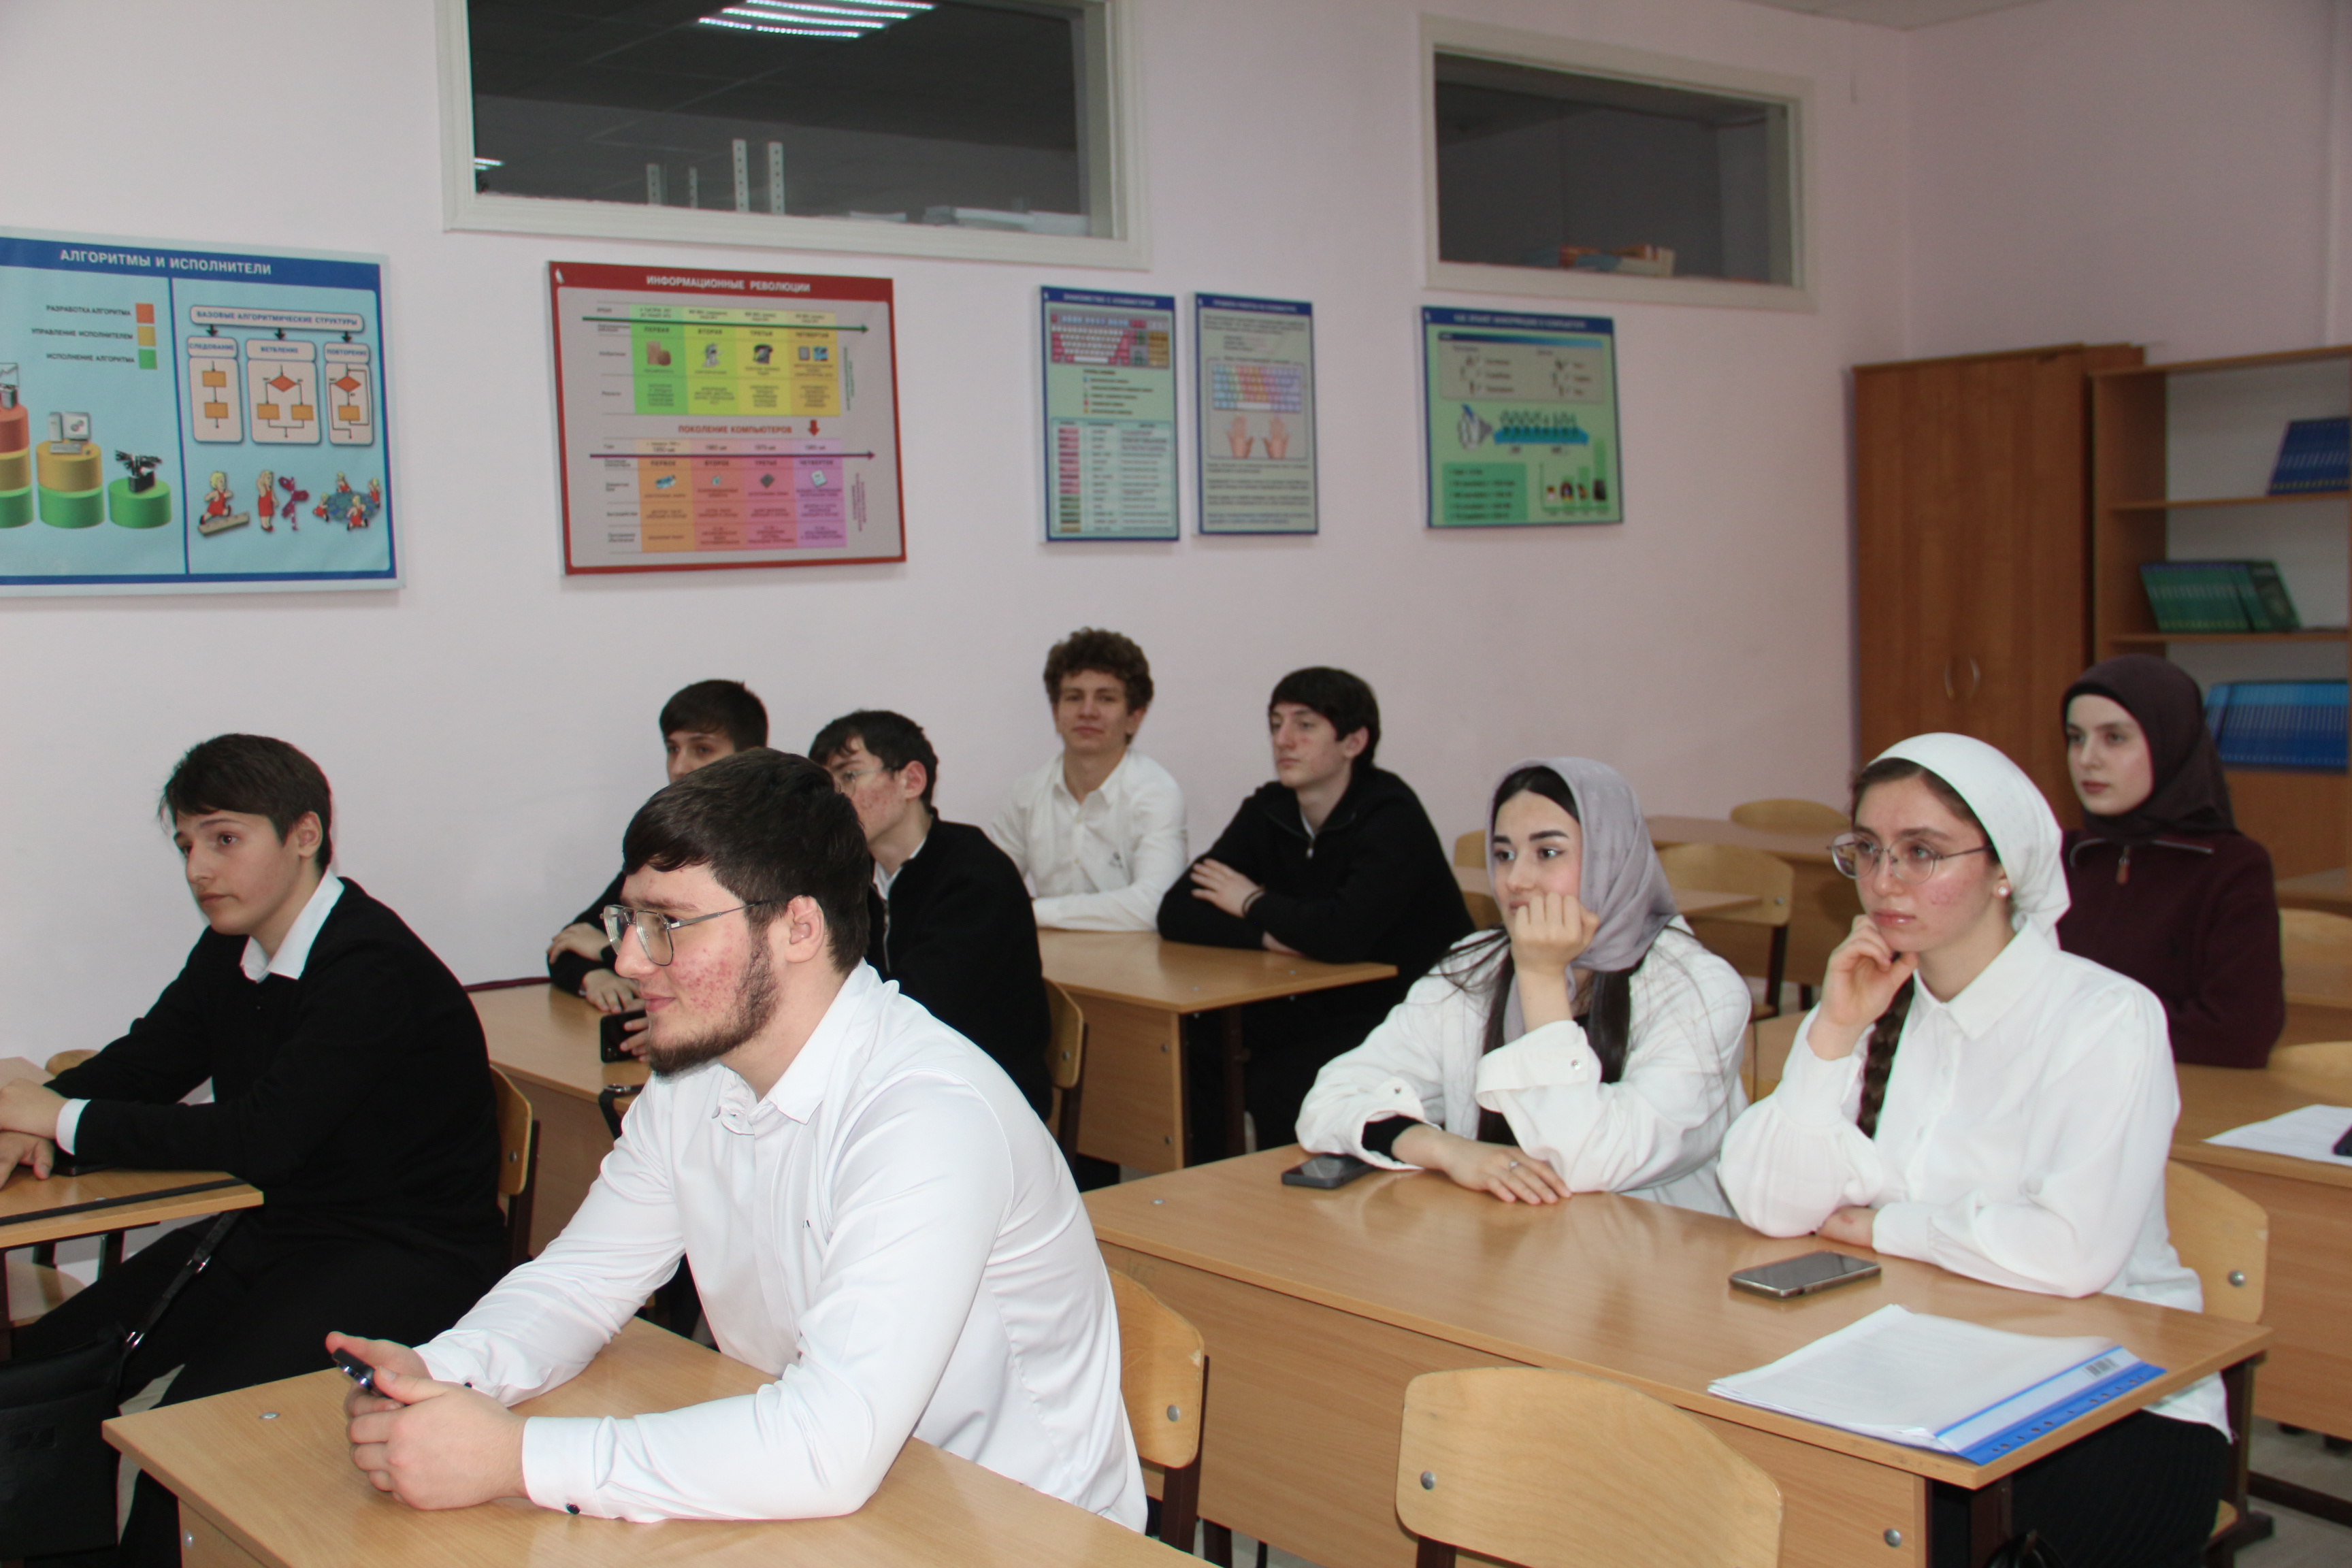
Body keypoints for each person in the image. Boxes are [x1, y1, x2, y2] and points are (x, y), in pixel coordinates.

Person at [326, 751, 1143, 1528]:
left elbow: (826, 1447)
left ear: (798, 928)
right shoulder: (696, 1080)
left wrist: (517, 1458)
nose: (628, 958)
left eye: (668, 924)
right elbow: (580, 1285)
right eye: (629, 919)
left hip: (1016, 1531)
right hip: (850, 1494)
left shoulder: (927, 1117)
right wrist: (443, 1371)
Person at [1717, 733, 2226, 1568]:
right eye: (1868, 850)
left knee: (1911, 1538)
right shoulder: (1876, 994)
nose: (1885, 881)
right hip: (1919, 1366)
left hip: (2120, 1396)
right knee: (1758, 1495)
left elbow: (2071, 1253)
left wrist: (1889, 1228)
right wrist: (1835, 1031)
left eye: (1922, 853)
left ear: (2004, 871)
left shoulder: (2105, 1017)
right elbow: (1772, 1204)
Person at [0, 734, 503, 1568]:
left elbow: (259, 1139)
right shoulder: (233, 944)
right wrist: (35, 1116)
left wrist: (60, 1120)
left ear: (304, 835)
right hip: (282, 1227)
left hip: (404, 1250)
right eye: (186, 845)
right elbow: (150, 1062)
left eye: (224, 839)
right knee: (54, 1371)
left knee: (186, 1442)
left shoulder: (368, 963)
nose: (199, 869)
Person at [1296, 758, 1750, 1213]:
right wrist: (1448, 1150)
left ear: (1612, 858)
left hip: (1653, 1244)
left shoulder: (1701, 990)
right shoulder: (1476, 965)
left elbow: (1588, 1160)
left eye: (1547, 853)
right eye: (1504, 855)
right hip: (1508, 1236)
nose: (1516, 881)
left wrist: (1541, 978)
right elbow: (1331, 1100)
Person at [1158, 666, 1471, 1153]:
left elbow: (1342, 934)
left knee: (1280, 1083)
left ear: (1354, 742)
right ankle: (1208, 1187)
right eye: (1276, 724)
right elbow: (1177, 910)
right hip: (1318, 997)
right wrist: (1269, 936)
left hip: (1405, 1006)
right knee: (1197, 1043)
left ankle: (1299, 1192)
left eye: (1304, 725)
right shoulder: (1271, 809)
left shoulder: (1391, 813)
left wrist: (1252, 902)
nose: (1283, 740)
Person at [810, 709, 1052, 1116]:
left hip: (984, 1098)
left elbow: (919, 1009)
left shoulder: (976, 875)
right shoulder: (851, 877)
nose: (835, 798)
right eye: (827, 784)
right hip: (898, 1082)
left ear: (912, 781)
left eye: (849, 776)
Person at [2057, 654, 2283, 1068]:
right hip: (2059, 1084)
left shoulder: (2231, 867)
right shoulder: (2062, 854)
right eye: (2076, 738)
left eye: (2114, 738)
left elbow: (2238, 1034)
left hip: (2185, 1088)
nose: (2087, 758)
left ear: (2170, 743)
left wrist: (2075, 1024)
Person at [547, 679, 768, 1023]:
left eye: (702, 749)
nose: (679, 767)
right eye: (672, 749)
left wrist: (605, 952)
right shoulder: (672, 845)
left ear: (749, 758)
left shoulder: (771, 847)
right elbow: (569, 942)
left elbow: (742, 969)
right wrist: (596, 977)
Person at [990, 627, 1188, 932]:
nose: (1087, 711)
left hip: (1133, 960)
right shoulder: (1027, 793)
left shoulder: (1157, 793)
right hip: (1049, 958)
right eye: (1074, 697)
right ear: (1056, 714)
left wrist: (1029, 911)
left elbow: (1155, 905)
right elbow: (984, 889)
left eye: (1106, 699)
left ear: (1134, 718)